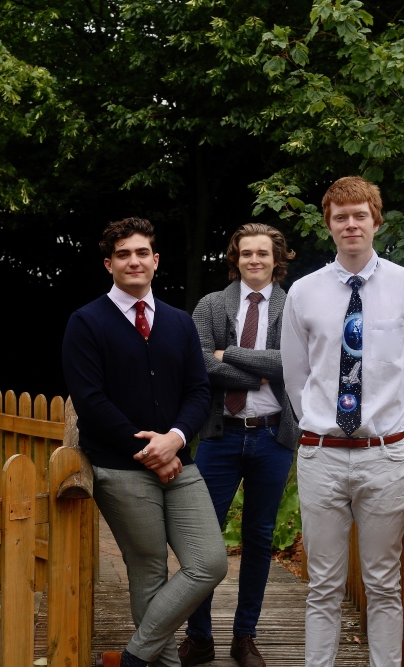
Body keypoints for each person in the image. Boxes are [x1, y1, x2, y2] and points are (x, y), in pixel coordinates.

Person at [280, 177, 404, 667]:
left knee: (383, 583)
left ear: (375, 219)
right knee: (323, 584)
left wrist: (382, 419)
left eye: (360, 214)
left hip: (384, 457)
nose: (351, 224)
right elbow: (295, 375)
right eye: (340, 216)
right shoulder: (304, 293)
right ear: (329, 225)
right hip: (322, 456)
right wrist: (320, 426)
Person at [62, 217, 228, 667]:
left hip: (179, 462)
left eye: (141, 253)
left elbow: (198, 390)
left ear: (155, 261)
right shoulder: (87, 322)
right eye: (123, 254)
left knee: (209, 563)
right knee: (150, 568)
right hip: (119, 467)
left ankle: (134, 658)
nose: (133, 261)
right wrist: (146, 451)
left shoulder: (178, 322)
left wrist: (172, 440)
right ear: (108, 264)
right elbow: (90, 400)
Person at [178, 223, 298, 667]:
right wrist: (263, 371)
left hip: (272, 435)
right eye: (246, 253)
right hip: (219, 435)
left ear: (277, 259)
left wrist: (230, 355)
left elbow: (295, 364)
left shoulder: (294, 307)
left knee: (259, 538)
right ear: (235, 258)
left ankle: (244, 637)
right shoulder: (211, 305)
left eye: (263, 254)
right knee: (202, 539)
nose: (254, 260)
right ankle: (200, 635)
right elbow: (200, 362)